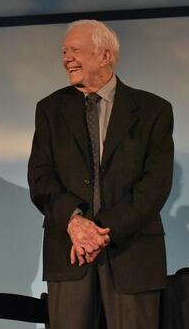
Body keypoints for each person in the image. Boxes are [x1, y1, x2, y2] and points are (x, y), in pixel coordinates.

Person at [28, 20, 174, 329]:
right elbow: (40, 178)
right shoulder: (49, 110)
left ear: (105, 55)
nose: (67, 58)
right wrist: (75, 223)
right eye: (64, 51)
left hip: (132, 255)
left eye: (76, 50)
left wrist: (99, 232)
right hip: (70, 255)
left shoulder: (153, 110)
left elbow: (155, 186)